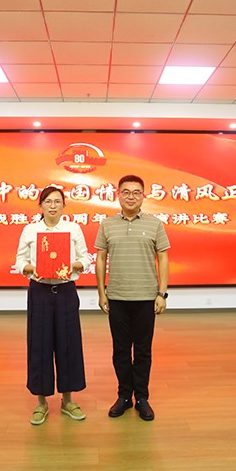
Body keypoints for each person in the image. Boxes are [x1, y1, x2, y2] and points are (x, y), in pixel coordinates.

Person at [95, 175, 170, 421]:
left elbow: (163, 258)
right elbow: (100, 259)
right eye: (126, 192)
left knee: (143, 351)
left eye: (136, 192)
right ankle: (124, 396)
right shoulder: (107, 224)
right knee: (120, 351)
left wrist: (161, 293)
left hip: (146, 297)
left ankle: (143, 398)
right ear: (118, 195)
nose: (131, 197)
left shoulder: (155, 224)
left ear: (143, 196)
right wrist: (101, 292)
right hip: (117, 297)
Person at [15, 186, 91, 425]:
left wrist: (73, 265)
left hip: (66, 291)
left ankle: (68, 400)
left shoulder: (73, 229)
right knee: (39, 345)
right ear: (40, 205)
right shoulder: (30, 230)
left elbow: (86, 258)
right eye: (48, 201)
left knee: (68, 344)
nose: (53, 206)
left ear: (64, 206)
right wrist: (32, 268)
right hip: (40, 292)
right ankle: (41, 403)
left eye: (58, 201)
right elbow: (19, 261)